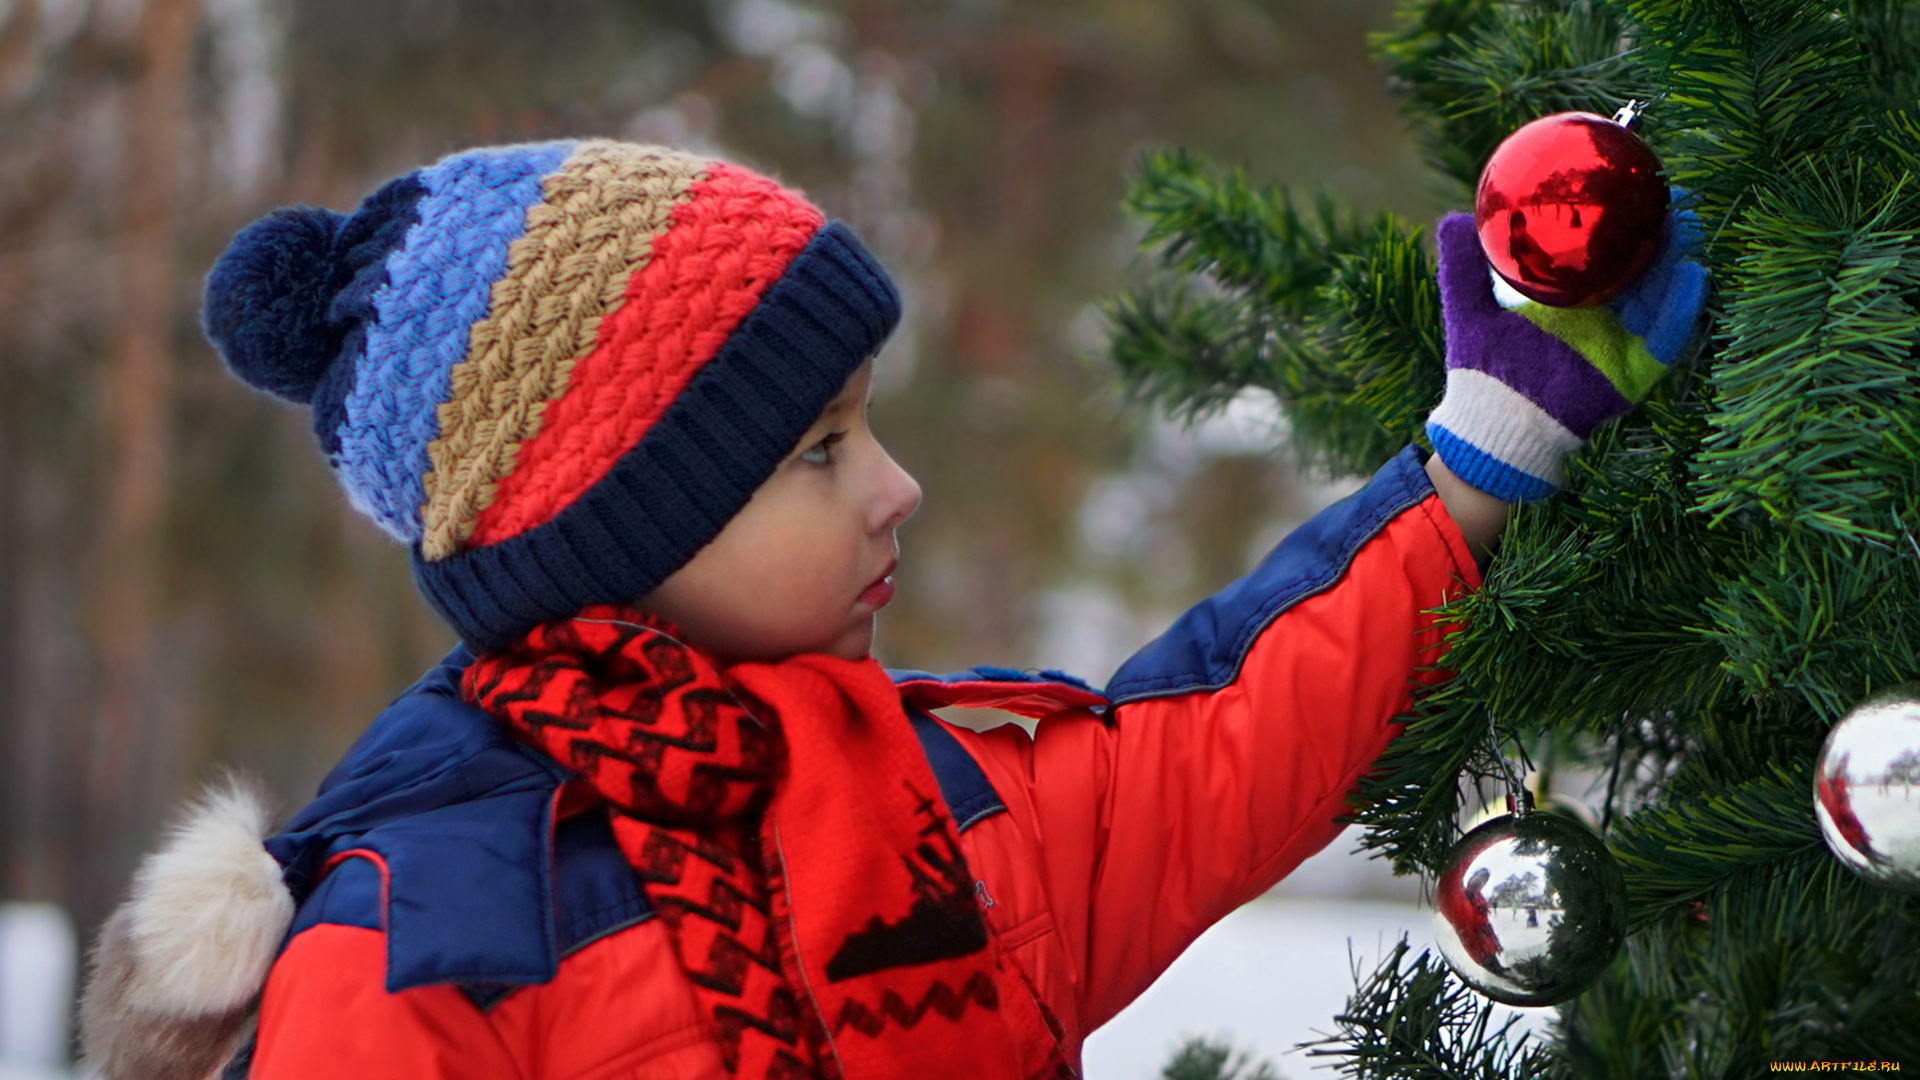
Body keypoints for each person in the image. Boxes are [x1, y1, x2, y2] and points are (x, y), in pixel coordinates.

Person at [78, 139, 1705, 1080]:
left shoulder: (919, 797)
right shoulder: (421, 944)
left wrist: (1483, 455)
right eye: (818, 449)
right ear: (616, 528)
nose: (895, 489)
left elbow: (1214, 742)